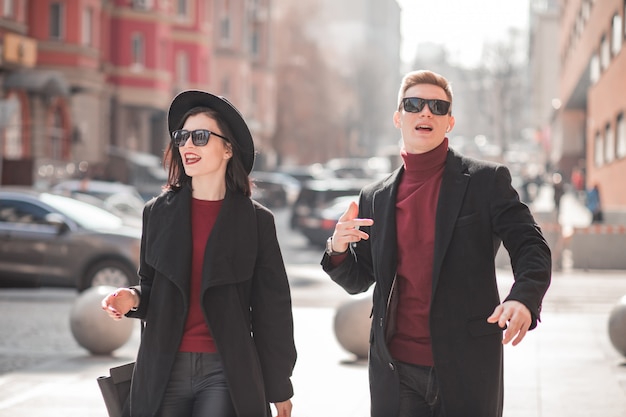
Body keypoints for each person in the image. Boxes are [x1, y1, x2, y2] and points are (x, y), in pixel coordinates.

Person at [321, 70, 551, 417]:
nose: (425, 112)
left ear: (449, 122)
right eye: (413, 104)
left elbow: (531, 245)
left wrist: (523, 298)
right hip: (395, 371)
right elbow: (361, 279)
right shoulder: (375, 197)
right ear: (399, 117)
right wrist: (338, 249)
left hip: (466, 368)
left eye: (437, 106)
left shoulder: (486, 182)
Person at [101, 90, 297, 417]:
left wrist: (279, 385)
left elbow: (272, 310)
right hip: (163, 368)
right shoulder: (157, 213)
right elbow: (152, 288)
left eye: (201, 136)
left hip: (227, 371)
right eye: (182, 137)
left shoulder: (256, 221)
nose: (188, 145)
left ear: (228, 148)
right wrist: (131, 298)